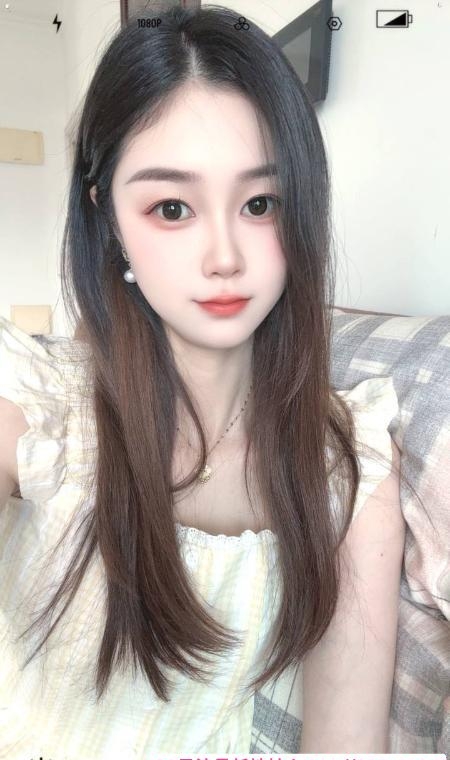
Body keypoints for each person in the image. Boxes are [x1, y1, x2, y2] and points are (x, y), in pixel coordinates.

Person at [0, 4, 406, 756]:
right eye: (172, 207)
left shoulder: (348, 468)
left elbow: (346, 743)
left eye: (260, 204)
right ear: (109, 219)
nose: (225, 256)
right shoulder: (37, 410)